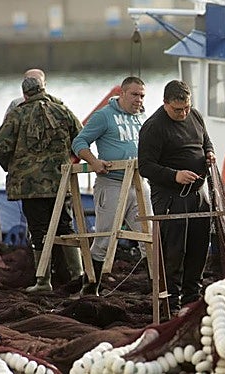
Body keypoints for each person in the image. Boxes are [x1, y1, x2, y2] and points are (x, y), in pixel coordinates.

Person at [0, 77, 84, 292]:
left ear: (25, 94)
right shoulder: (63, 110)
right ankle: (78, 274)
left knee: (38, 229)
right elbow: (81, 138)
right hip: (60, 181)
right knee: (65, 225)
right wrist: (67, 159)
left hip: (29, 185)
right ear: (43, 89)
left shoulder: (17, 114)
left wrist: (12, 167)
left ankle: (43, 281)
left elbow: (0, 145)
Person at [138, 80, 216, 314]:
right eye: (177, 110)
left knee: (199, 245)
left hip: (198, 193)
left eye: (186, 108)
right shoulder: (153, 127)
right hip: (170, 196)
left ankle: (192, 299)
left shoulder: (196, 116)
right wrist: (175, 175)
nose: (183, 114)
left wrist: (210, 153)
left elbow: (206, 141)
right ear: (165, 104)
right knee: (174, 251)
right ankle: (171, 303)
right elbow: (145, 167)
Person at [72, 76, 151, 296]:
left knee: (150, 238)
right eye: (134, 94)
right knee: (105, 239)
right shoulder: (104, 116)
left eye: (142, 95)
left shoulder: (142, 117)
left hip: (139, 184)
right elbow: (79, 142)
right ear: (123, 93)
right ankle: (91, 288)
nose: (139, 100)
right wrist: (94, 162)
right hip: (112, 184)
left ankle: (157, 286)